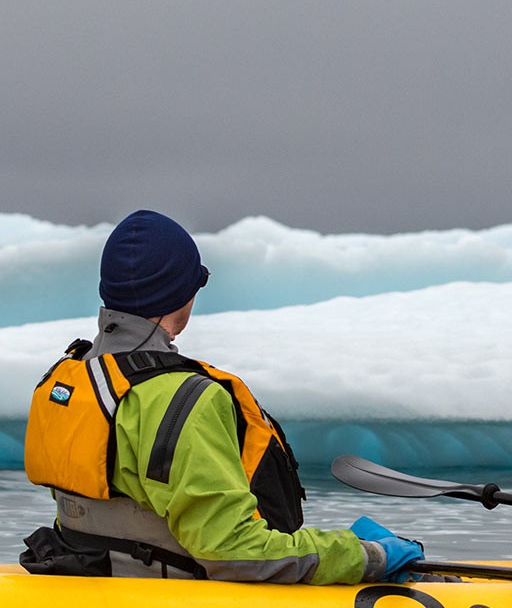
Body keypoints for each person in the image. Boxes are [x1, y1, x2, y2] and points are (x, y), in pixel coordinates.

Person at [20, 209, 422, 584]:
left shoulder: (69, 378)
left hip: (88, 579)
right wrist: (367, 556)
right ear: (181, 292)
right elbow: (234, 552)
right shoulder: (188, 399)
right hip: (174, 596)